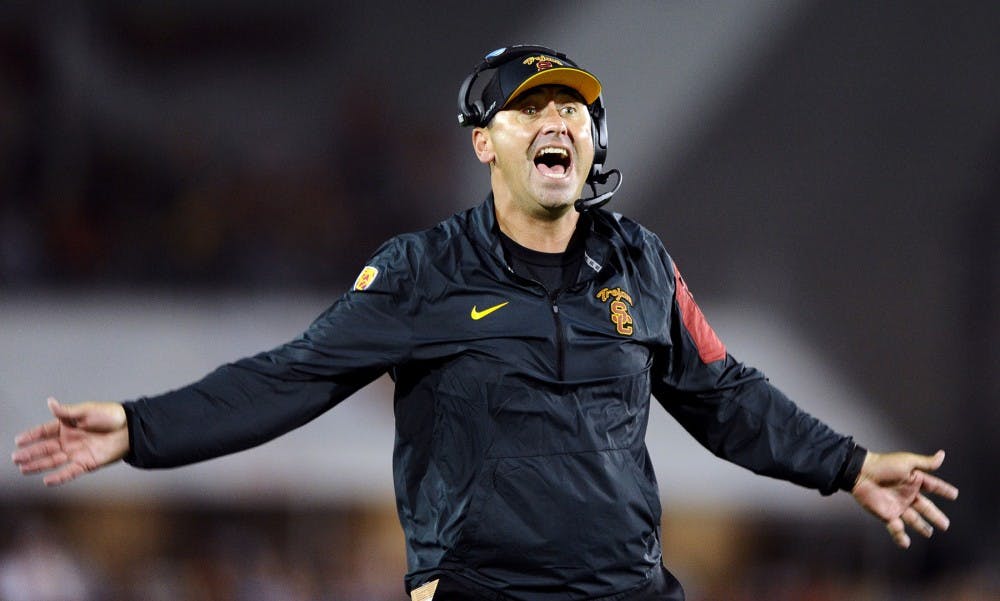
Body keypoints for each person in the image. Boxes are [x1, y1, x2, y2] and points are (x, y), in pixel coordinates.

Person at [12, 45, 958, 601]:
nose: (559, 119)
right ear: (485, 143)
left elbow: (725, 394)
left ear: (590, 144)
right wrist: (141, 427)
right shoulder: (422, 271)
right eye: (531, 107)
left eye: (574, 109)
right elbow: (291, 376)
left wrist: (845, 464)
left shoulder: (641, 262)